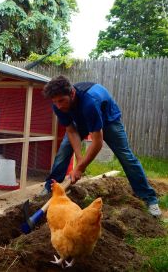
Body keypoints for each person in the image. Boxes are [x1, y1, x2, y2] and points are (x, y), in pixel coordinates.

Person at [39, 75, 161, 217]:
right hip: (81, 119)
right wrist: (79, 160)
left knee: (126, 157)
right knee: (63, 152)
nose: (58, 105)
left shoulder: (89, 102)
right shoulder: (58, 104)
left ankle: (149, 198)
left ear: (72, 93)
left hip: (109, 120)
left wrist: (81, 168)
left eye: (61, 101)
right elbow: (71, 130)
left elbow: (97, 142)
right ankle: (50, 187)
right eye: (55, 102)